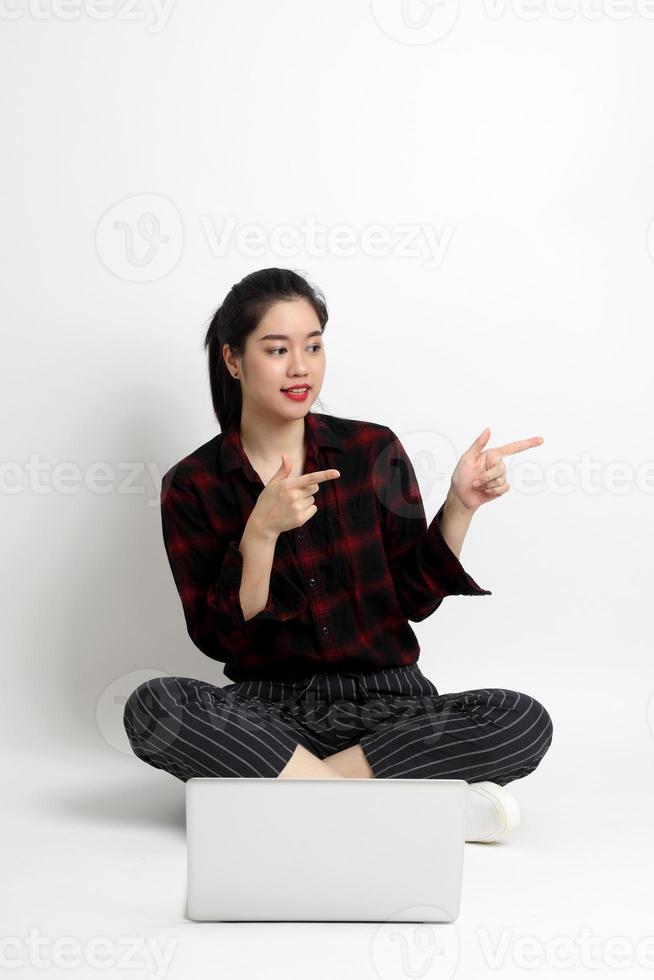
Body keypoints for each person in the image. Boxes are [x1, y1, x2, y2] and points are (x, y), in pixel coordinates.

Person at [123, 267, 553, 843]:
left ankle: (292, 798)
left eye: (314, 346)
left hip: (391, 706)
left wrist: (460, 506)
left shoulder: (372, 449)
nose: (301, 367)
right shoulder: (193, 484)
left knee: (521, 719)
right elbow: (217, 638)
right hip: (268, 713)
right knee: (155, 706)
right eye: (277, 350)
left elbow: (413, 599)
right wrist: (259, 535)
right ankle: (416, 808)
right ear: (232, 359)